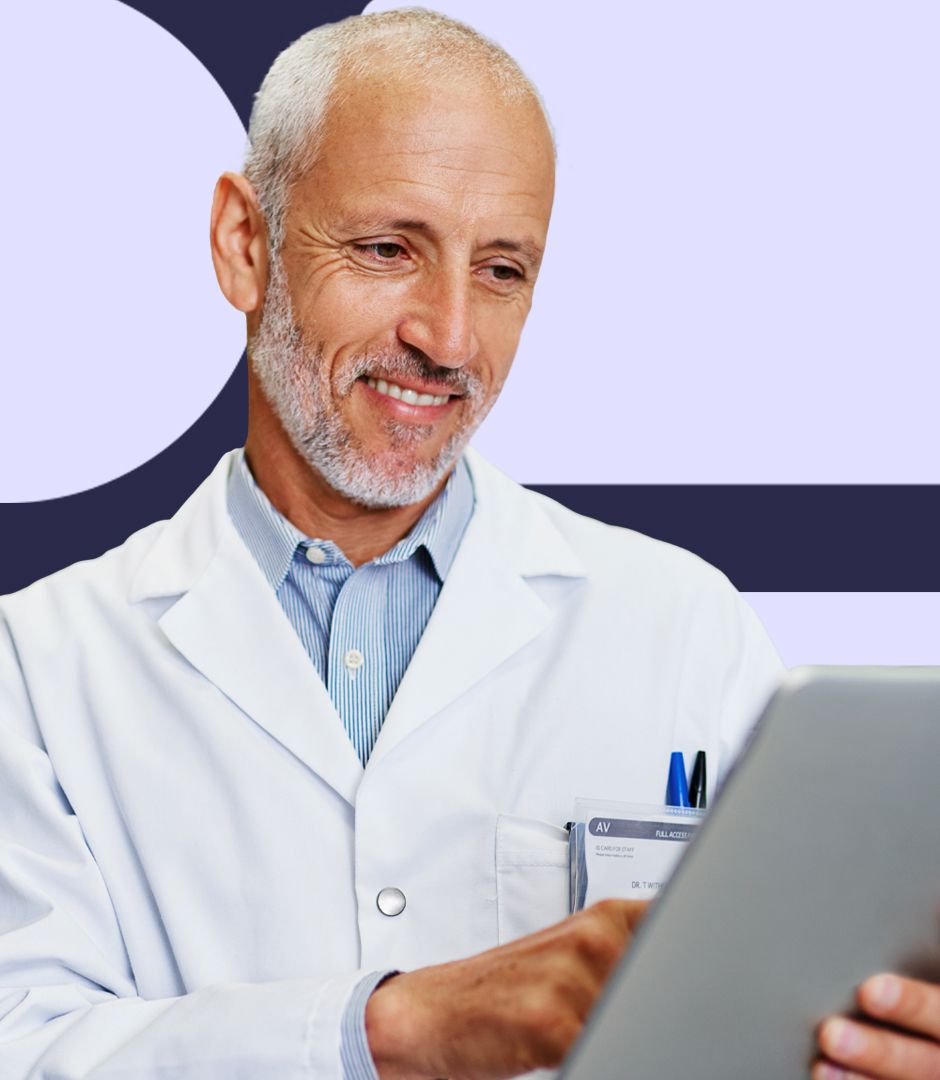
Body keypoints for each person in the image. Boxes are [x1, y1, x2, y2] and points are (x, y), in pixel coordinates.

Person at [0, 8, 931, 1079]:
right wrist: (391, 1027)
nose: (446, 338)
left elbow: (785, 1015)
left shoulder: (682, 626)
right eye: (390, 249)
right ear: (245, 244)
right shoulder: (35, 669)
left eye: (500, 270)